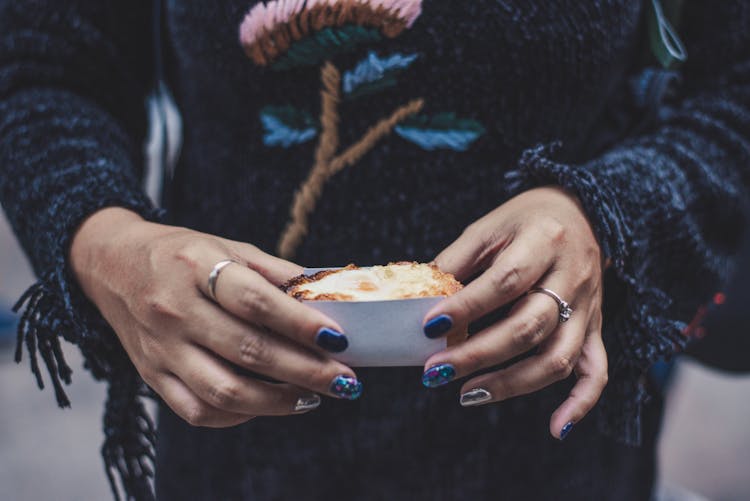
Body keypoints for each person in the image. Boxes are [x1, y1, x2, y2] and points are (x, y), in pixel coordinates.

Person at [1, 1, 748, 499]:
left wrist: (606, 216)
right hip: (237, 448)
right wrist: (106, 241)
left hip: (558, 454)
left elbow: (733, 86)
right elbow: (40, 68)